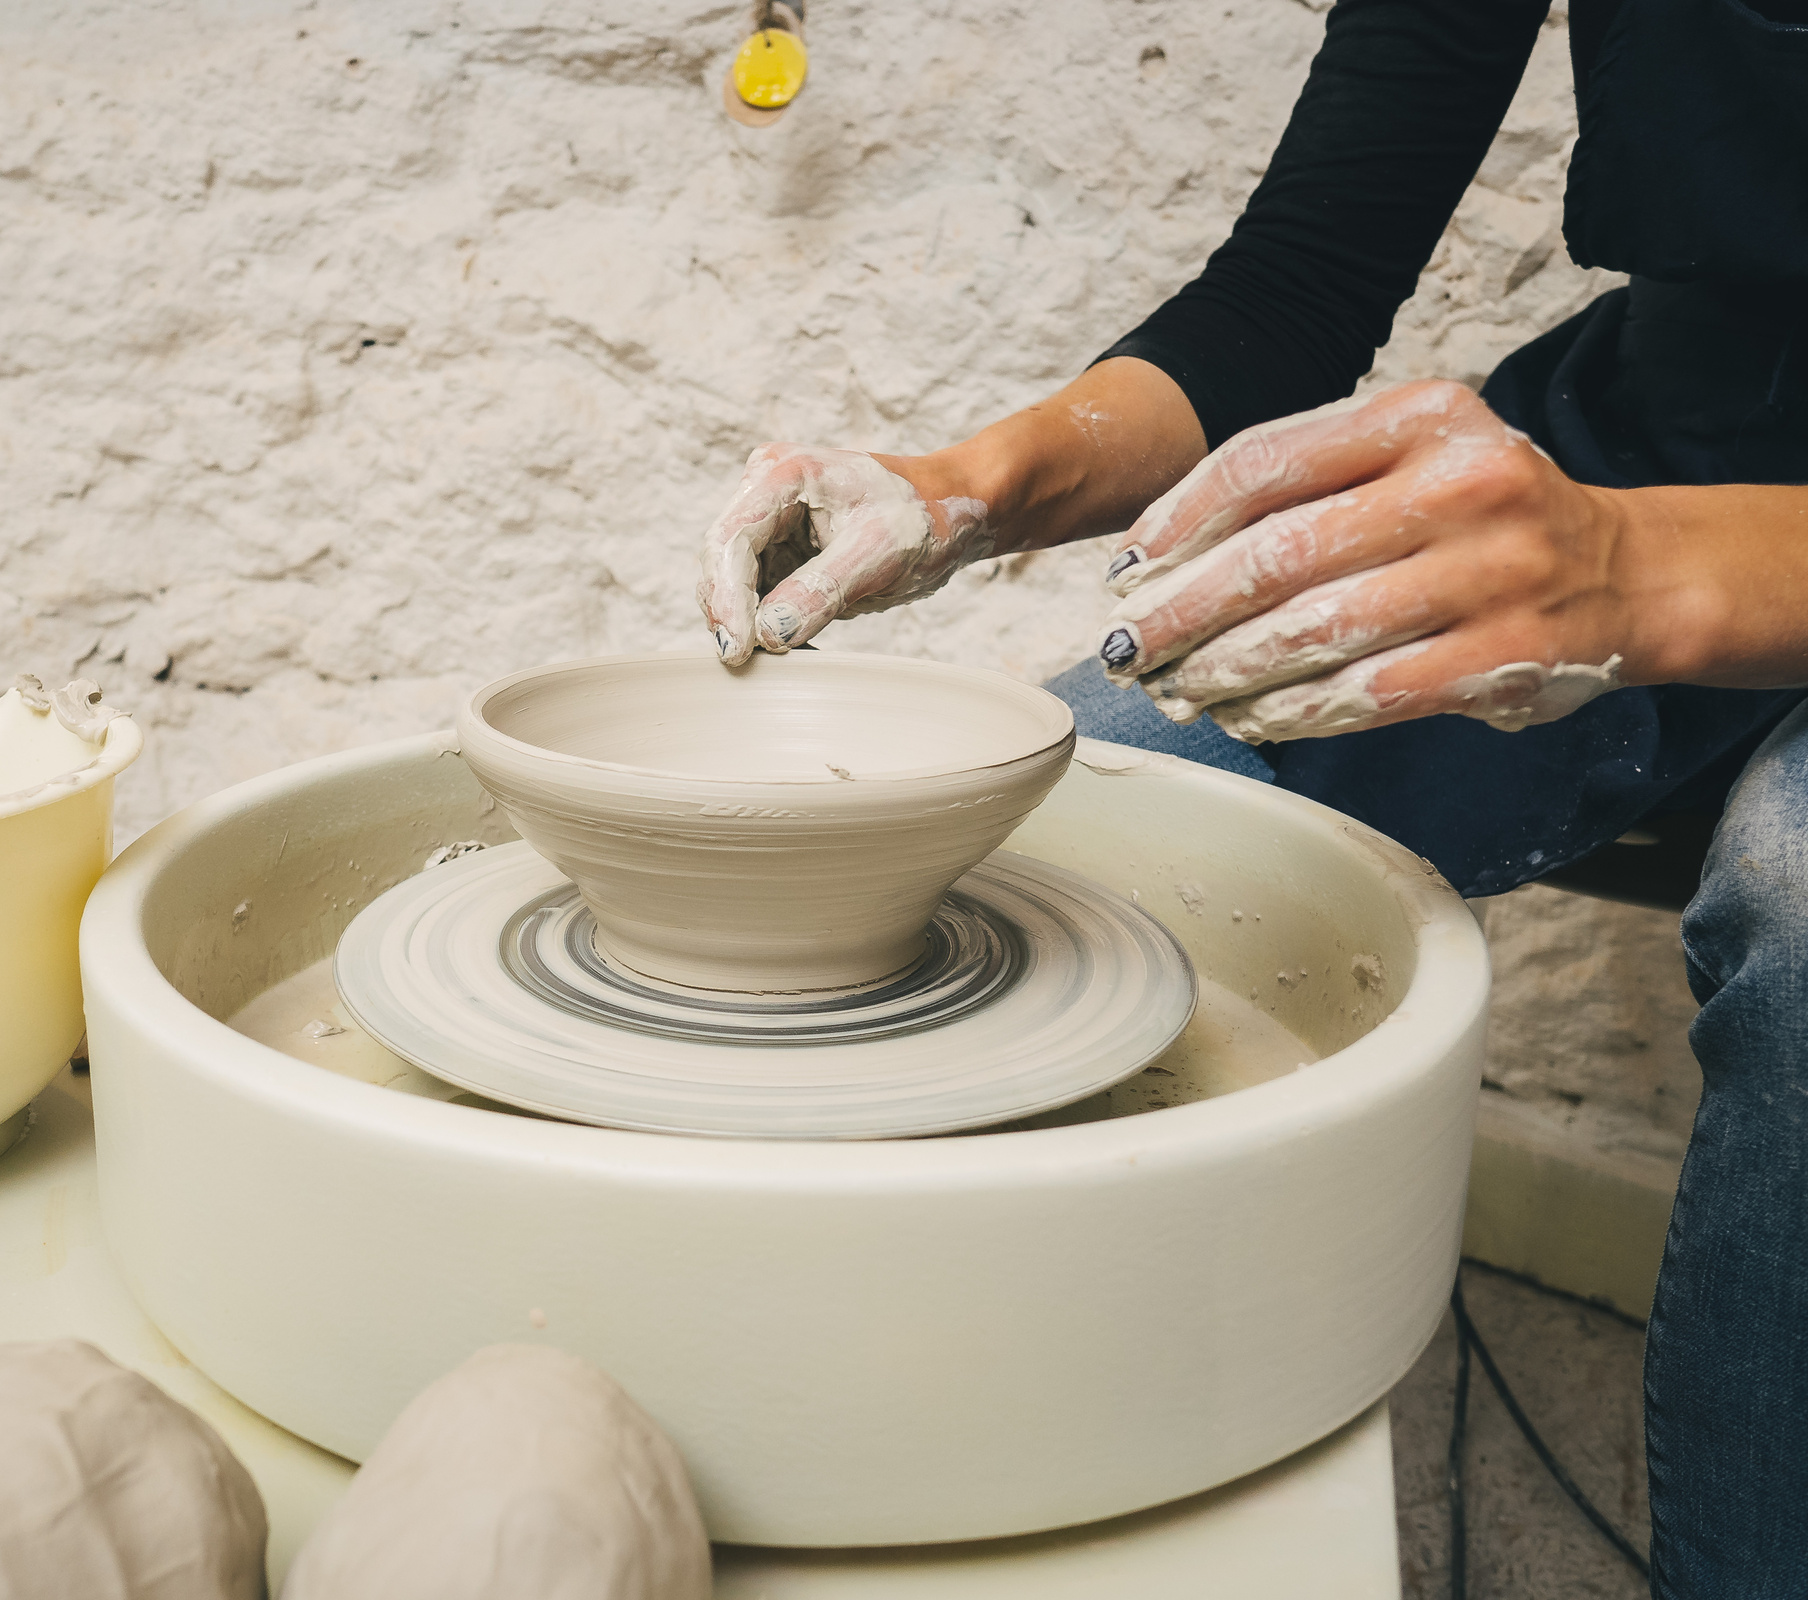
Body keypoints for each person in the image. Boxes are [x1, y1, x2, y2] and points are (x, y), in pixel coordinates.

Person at [694, 2, 1808, 1593]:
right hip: (1672, 430)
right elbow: (1296, 285)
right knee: (1082, 811)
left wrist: (1642, 577)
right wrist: (957, 489)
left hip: (1685, 541)